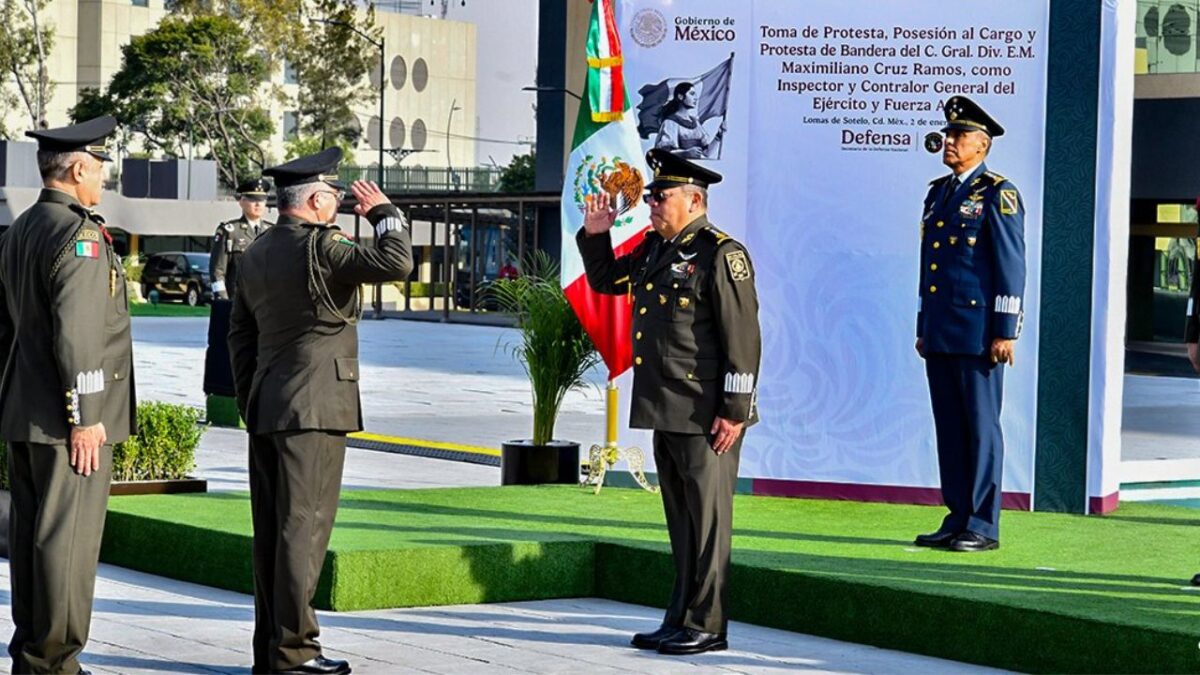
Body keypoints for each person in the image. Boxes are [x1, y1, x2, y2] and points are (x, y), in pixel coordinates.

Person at [228, 147, 412, 675]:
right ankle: (296, 653)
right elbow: (397, 262)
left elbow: (239, 334)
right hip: (314, 408)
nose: (338, 201)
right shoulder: (324, 246)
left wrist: (250, 396)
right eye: (333, 193)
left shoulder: (257, 251)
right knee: (303, 531)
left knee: (274, 531)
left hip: (269, 404)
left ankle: (273, 650)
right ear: (313, 199)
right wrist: (384, 214)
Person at [576, 148, 761, 655]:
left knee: (707, 523)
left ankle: (708, 624)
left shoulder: (722, 253)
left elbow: (742, 339)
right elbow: (605, 281)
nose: (653, 203)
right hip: (667, 407)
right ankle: (680, 616)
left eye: (663, 196)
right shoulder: (656, 249)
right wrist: (597, 235)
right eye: (653, 195)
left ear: (694, 199)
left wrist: (734, 411)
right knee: (681, 523)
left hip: (706, 413)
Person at [0, 115, 136, 674]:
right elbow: (78, 336)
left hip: (26, 415)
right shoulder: (79, 235)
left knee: (34, 541)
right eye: (100, 166)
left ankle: (33, 653)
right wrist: (86, 418)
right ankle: (54, 663)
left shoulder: (21, 228)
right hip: (65, 424)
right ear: (79, 168)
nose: (102, 177)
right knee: (66, 545)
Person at [914, 95, 1026, 553]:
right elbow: (931, 266)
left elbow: (1010, 264)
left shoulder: (998, 193)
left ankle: (983, 523)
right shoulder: (938, 191)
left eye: (960, 135)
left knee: (981, 428)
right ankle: (957, 514)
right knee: (950, 427)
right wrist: (924, 323)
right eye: (950, 133)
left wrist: (1005, 329)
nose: (950, 141)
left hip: (980, 333)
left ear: (982, 145)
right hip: (942, 330)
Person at [211, 178, 273, 300]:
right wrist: (222, 299)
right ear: (242, 202)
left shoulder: (271, 231)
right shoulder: (230, 231)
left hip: (265, 303)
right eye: (253, 199)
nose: (258, 204)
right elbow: (217, 271)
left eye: (262, 200)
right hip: (237, 301)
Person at [654, 81, 726, 160]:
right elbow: (664, 152)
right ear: (680, 96)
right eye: (692, 94)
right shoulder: (670, 122)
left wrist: (718, 136)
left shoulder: (695, 123)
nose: (695, 98)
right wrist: (686, 153)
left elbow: (706, 153)